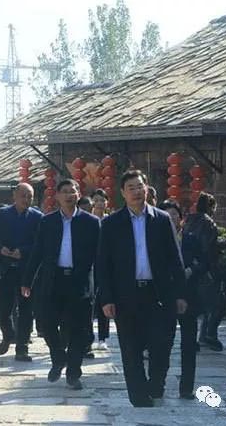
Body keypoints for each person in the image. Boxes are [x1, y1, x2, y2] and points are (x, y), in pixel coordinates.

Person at [96, 170, 187, 407]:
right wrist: (106, 298)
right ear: (123, 193)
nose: (137, 192)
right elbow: (103, 264)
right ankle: (138, 395)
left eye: (140, 186)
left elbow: (175, 259)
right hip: (126, 295)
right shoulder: (111, 224)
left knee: (161, 345)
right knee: (130, 348)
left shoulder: (162, 220)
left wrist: (180, 294)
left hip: (158, 294)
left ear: (147, 189)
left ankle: (156, 384)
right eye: (131, 188)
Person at [22, 179, 101, 390]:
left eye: (72, 191)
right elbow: (37, 251)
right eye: (64, 192)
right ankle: (58, 358)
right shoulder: (48, 222)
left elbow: (100, 256)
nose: (68, 195)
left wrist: (102, 285)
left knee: (79, 330)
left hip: (80, 282)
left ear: (78, 194)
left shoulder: (91, 222)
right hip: (53, 280)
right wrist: (27, 280)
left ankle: (74, 373)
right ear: (57, 196)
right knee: (47, 324)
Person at [0, 183, 43, 362]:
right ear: (15, 196)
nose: (26, 200)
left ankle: (22, 347)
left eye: (30, 197)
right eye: (23, 196)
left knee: (26, 310)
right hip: (5, 268)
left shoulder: (37, 217)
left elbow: (40, 243)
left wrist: (23, 251)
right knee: (4, 309)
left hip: (26, 269)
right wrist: (1, 248)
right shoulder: (2, 214)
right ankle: (8, 335)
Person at [159, 199, 201, 400]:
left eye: (174, 215)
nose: (171, 218)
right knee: (163, 342)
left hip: (189, 295)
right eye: (167, 215)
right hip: (165, 297)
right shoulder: (155, 240)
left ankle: (186, 387)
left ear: (181, 218)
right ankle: (158, 383)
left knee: (189, 345)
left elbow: (205, 261)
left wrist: (191, 270)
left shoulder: (191, 239)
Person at [183, 192, 226, 352]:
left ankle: (200, 337)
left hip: (191, 267)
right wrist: (222, 244)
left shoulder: (189, 220)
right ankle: (209, 335)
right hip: (206, 268)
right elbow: (208, 247)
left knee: (198, 306)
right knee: (218, 303)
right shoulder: (208, 222)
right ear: (211, 207)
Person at [90, 189, 110, 351]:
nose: (99, 203)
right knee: (89, 302)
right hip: (90, 265)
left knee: (105, 299)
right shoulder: (87, 220)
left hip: (106, 265)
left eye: (102, 200)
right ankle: (88, 335)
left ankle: (103, 336)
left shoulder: (110, 221)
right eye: (96, 200)